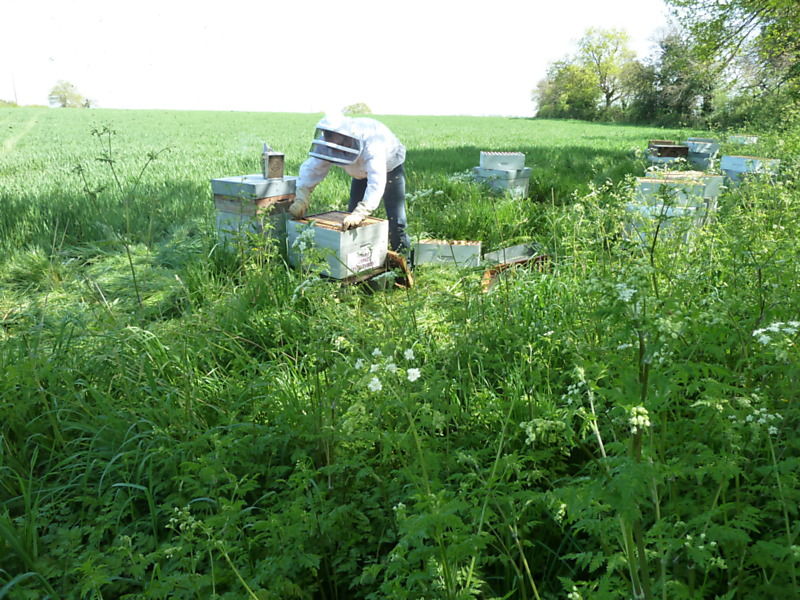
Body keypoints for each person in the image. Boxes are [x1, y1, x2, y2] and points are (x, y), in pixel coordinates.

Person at [289, 114, 411, 253]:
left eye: (339, 147)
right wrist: (302, 195)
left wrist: (362, 210)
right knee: (350, 220)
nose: (336, 151)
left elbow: (376, 180)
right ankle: (355, 259)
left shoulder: (372, 144)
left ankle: (405, 264)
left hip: (389, 169)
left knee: (397, 221)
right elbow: (313, 168)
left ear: (347, 138)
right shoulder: (329, 142)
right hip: (359, 174)